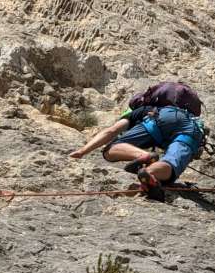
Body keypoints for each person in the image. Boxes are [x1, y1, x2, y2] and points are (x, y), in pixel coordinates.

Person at [69, 82, 204, 201]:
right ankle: (151, 172)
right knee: (170, 164)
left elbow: (111, 131)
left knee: (110, 149)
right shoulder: (188, 114)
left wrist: (82, 151)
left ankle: (143, 157)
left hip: (158, 120)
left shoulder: (141, 110)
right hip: (190, 129)